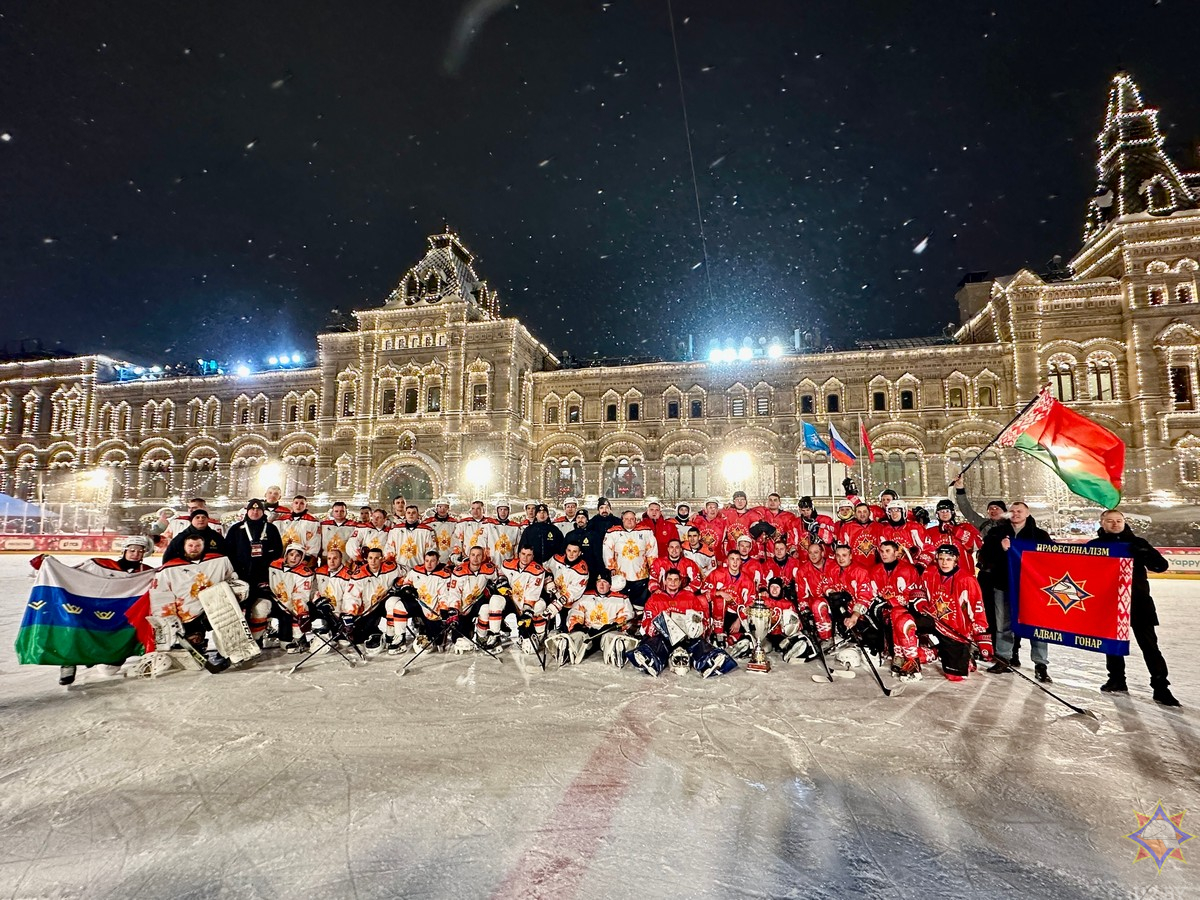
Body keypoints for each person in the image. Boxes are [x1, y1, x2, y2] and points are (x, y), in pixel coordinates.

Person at [1087, 510, 1178, 706]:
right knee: (1113, 645)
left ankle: (1161, 686)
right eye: (1110, 521)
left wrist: (1145, 553)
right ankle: (1117, 679)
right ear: (1102, 523)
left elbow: (1161, 566)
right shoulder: (1094, 546)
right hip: (1109, 603)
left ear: (1124, 522)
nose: (1115, 524)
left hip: (1139, 603)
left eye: (1118, 521)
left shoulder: (1138, 543)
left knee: (1150, 646)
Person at [54, 535, 157, 685]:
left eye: (140, 551)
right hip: (95, 611)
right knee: (76, 627)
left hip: (121, 618)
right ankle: (69, 662)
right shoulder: (100, 565)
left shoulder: (147, 572)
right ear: (124, 551)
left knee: (108, 671)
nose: (135, 554)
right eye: (132, 550)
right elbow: (69, 574)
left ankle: (109, 655)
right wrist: (47, 564)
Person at [149, 534, 248, 670]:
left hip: (216, 608)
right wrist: (169, 618)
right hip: (188, 614)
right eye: (190, 546)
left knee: (228, 628)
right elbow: (161, 596)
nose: (194, 549)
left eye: (198, 546)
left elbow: (231, 579)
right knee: (194, 641)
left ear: (203, 547)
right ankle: (200, 644)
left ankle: (230, 652)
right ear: (184, 547)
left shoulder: (220, 560)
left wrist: (237, 592)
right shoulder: (168, 569)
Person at [981, 501, 1052, 682]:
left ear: (1027, 513)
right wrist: (1000, 548)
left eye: (1019, 511)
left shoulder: (1039, 535)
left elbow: (1051, 561)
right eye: (1012, 511)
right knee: (1003, 624)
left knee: (1036, 626)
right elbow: (984, 556)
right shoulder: (996, 534)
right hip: (1003, 585)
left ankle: (1040, 664)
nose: (1016, 514)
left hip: (1032, 589)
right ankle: (1003, 658)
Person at [629, 569, 737, 677]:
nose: (673, 582)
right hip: (664, 639)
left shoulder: (690, 597)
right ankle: (648, 657)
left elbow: (702, 619)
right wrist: (657, 627)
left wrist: (697, 626)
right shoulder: (654, 599)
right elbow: (646, 622)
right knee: (658, 641)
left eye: (676, 580)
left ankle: (711, 659)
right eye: (670, 579)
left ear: (680, 582)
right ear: (665, 581)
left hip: (686, 639)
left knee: (697, 642)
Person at [912, 544, 991, 682]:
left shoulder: (967, 580)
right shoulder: (929, 573)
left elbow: (977, 608)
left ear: (956, 560)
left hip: (955, 631)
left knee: (955, 677)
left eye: (948, 559)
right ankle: (918, 655)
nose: (944, 562)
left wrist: (981, 637)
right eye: (941, 558)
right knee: (905, 622)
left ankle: (950, 654)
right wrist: (921, 603)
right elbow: (917, 590)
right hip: (934, 620)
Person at [224, 498, 284, 643]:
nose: (255, 512)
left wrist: (266, 560)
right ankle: (239, 639)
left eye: (258, 509)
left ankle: (258, 637)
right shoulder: (236, 528)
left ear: (263, 512)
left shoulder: (270, 528)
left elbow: (278, 551)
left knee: (262, 606)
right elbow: (228, 551)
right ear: (247, 511)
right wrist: (235, 571)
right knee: (241, 608)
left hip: (264, 576)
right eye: (252, 509)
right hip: (241, 576)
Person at [560, 568, 638, 665]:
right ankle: (567, 649)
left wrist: (615, 625)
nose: (601, 585)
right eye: (599, 582)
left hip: (608, 631)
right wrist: (577, 625)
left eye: (604, 582)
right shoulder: (585, 596)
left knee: (613, 637)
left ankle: (617, 650)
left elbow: (627, 615)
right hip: (588, 632)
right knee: (578, 635)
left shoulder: (621, 599)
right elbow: (576, 611)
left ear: (610, 584)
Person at [385, 549, 453, 653]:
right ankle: (400, 638)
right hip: (418, 604)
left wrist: (444, 612)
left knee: (438, 641)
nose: (429, 564)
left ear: (438, 561)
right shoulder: (416, 570)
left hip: (433, 611)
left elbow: (444, 596)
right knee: (399, 605)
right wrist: (407, 589)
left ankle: (433, 635)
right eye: (427, 560)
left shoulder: (444, 575)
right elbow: (406, 583)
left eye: (432, 561)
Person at [602, 509, 658, 612]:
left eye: (632, 519)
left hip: (641, 575)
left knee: (639, 605)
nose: (629, 521)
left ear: (636, 520)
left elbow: (652, 551)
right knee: (622, 604)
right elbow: (607, 551)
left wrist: (653, 569)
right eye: (627, 519)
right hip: (620, 576)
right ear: (622, 520)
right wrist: (610, 568)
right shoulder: (613, 532)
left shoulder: (646, 531)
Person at [348, 547, 401, 651]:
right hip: (368, 608)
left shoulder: (391, 568)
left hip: (384, 602)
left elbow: (407, 573)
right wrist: (351, 613)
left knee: (395, 604)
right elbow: (351, 596)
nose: (373, 561)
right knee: (358, 638)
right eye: (370, 558)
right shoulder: (359, 575)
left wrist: (398, 585)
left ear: (382, 559)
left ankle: (393, 635)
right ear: (366, 559)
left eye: (377, 558)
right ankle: (375, 632)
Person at [267, 543, 316, 652]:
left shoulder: (305, 573)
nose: (294, 558)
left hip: (289, 605)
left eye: (298, 555)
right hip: (273, 601)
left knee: (285, 645)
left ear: (302, 557)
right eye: (291, 554)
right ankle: (257, 639)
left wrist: (291, 607)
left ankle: (297, 637)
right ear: (286, 555)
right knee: (261, 606)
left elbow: (301, 595)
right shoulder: (274, 565)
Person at [700, 548, 757, 644]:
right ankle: (716, 633)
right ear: (727, 561)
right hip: (716, 613)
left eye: (737, 559)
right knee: (719, 600)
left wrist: (739, 621)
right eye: (732, 559)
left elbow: (750, 603)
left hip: (735, 615)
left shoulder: (747, 581)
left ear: (741, 562)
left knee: (745, 637)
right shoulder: (717, 574)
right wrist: (719, 593)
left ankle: (730, 639)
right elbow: (703, 590)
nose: (735, 562)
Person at [448, 546, 501, 646]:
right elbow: (454, 592)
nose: (475, 558)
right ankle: (469, 628)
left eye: (478, 555)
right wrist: (454, 609)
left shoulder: (489, 569)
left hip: (478, 602)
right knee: (458, 638)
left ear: (483, 557)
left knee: (486, 608)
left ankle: (481, 636)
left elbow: (497, 580)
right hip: (463, 608)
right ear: (469, 555)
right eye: (473, 555)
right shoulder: (459, 571)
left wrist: (492, 588)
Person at [918, 499, 983, 571]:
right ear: (937, 514)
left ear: (952, 512)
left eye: (947, 511)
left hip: (963, 572)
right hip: (939, 574)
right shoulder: (931, 532)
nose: (945, 514)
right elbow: (926, 551)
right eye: (942, 511)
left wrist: (959, 532)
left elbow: (978, 545)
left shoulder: (966, 527)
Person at [543, 539, 590, 629]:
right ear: (565, 550)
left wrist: (557, 604)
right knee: (546, 619)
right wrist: (547, 581)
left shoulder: (582, 571)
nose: (571, 554)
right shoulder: (556, 559)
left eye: (575, 551)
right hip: (554, 593)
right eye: (569, 550)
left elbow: (573, 593)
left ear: (580, 553)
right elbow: (545, 568)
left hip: (570, 603)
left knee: (566, 625)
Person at [162, 508, 227, 562]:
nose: (201, 519)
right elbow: (168, 557)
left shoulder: (216, 537)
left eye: (203, 517)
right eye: (197, 517)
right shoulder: (181, 537)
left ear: (207, 520)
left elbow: (226, 555)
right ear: (191, 520)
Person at [274, 495, 322, 563]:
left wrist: (307, 558)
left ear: (306, 505)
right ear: (292, 505)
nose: (298, 506)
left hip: (302, 559)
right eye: (296, 503)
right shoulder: (280, 521)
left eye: (302, 503)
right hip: (281, 558)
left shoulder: (313, 522)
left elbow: (314, 542)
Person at [386, 503, 435, 570]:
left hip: (419, 568)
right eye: (408, 513)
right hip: (399, 568)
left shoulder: (427, 531)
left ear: (418, 515)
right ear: (405, 515)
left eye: (413, 513)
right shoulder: (395, 530)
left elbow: (431, 550)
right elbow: (389, 548)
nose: (411, 515)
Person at [319, 501, 358, 565]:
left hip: (346, 561)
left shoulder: (354, 526)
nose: (339, 513)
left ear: (346, 512)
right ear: (332, 512)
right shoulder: (323, 525)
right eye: (336, 511)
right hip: (326, 560)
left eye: (342, 511)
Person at [423, 498, 458, 565]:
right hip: (433, 558)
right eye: (440, 507)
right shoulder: (428, 523)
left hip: (450, 558)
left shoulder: (454, 523)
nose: (442, 509)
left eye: (445, 507)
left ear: (448, 508)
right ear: (436, 508)